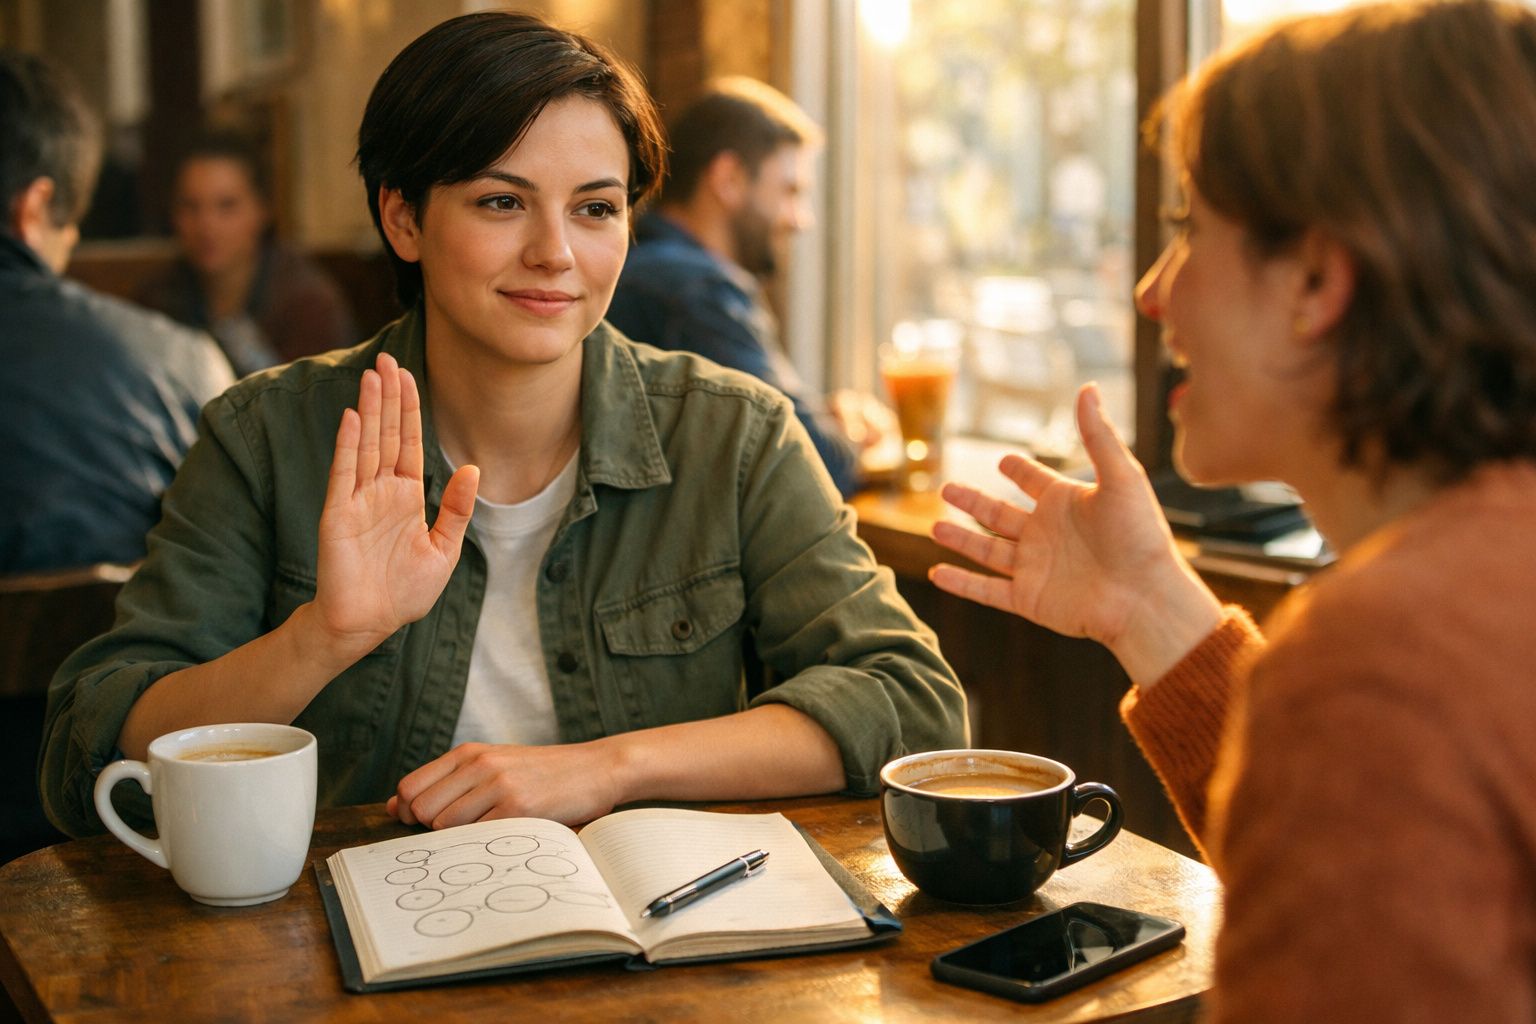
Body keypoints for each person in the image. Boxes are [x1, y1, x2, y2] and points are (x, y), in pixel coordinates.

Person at [40, 13, 966, 839]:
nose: (555, 253)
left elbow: (914, 706)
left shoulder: (734, 436)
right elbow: (94, 745)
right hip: (347, 935)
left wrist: (609, 768)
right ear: (403, 218)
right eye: (501, 201)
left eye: (595, 209)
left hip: (663, 933)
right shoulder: (266, 437)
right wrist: (322, 636)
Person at [929, 2, 1536, 1020]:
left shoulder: (1384, 665)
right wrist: (1147, 604)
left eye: (1189, 230)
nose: (1151, 292)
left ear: (1316, 280)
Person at [0, 50, 234, 573]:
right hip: (106, 629)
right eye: (70, 225)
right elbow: (234, 558)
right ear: (34, 207)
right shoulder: (177, 361)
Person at [606, 78, 889, 498]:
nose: (801, 219)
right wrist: (851, 437)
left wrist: (821, 418)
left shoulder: (640, 265)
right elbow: (811, 467)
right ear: (729, 179)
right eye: (790, 191)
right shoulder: (696, 289)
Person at [137, 132, 359, 375]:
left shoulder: (307, 304)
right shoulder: (158, 298)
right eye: (190, 206)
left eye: (227, 205)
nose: (206, 226)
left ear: (263, 209)